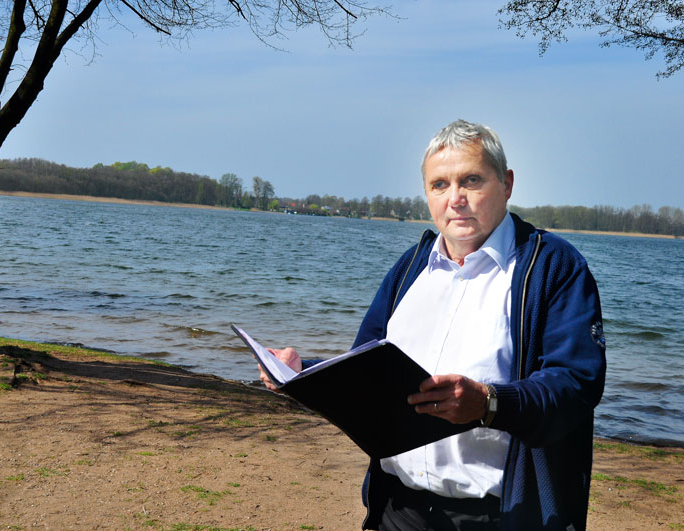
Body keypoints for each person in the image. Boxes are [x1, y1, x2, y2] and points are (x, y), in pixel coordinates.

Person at [258, 119, 606, 531]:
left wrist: (489, 403)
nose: (455, 199)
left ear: (507, 184)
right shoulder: (410, 267)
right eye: (439, 185)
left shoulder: (553, 267)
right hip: (397, 508)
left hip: (498, 516)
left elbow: (576, 386)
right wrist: (303, 371)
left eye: (471, 180)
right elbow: (366, 369)